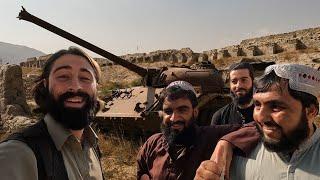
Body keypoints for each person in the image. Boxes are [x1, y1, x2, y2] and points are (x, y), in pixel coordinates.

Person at [195, 64, 320, 180]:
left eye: (276, 106)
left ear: (311, 111)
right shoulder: (237, 158)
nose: (260, 117)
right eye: (257, 105)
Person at [0, 47, 104, 180]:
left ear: (96, 88)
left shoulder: (91, 145)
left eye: (85, 78)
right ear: (45, 84)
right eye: (63, 76)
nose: (76, 86)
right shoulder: (16, 154)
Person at [137, 81, 259, 180]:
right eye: (168, 111)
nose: (174, 118)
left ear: (195, 112)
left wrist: (226, 142)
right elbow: (141, 172)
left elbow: (258, 127)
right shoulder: (152, 144)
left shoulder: (212, 136)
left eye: (182, 110)